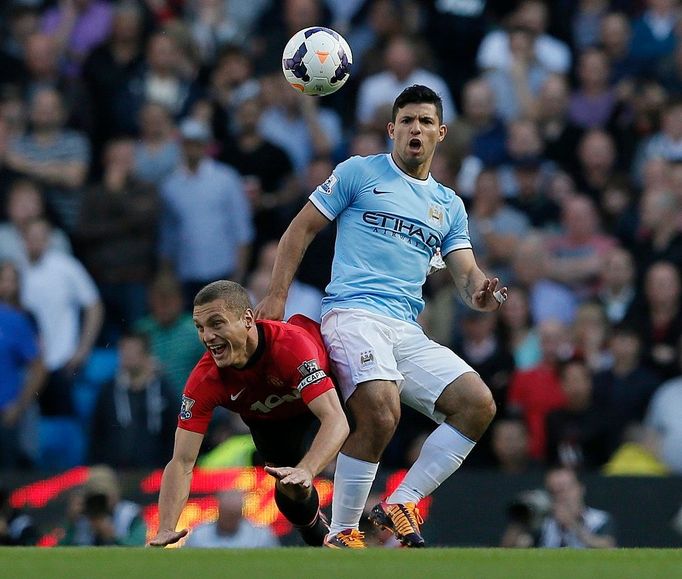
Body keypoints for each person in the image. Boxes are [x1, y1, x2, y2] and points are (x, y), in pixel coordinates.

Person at [256, 85, 506, 548]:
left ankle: (402, 501)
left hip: (405, 328)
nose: (417, 129)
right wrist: (276, 296)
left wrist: (484, 293)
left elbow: (467, 276)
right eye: (408, 120)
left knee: (478, 404)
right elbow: (300, 229)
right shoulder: (357, 173)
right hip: (352, 314)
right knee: (381, 411)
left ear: (441, 133)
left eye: (426, 122)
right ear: (392, 130)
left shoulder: (448, 205)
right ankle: (344, 533)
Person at [149, 280, 349, 548]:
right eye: (200, 327)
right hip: (270, 424)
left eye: (217, 324)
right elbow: (182, 461)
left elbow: (336, 419)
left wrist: (308, 469)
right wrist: (165, 527)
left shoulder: (289, 347)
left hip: (326, 398)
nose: (207, 336)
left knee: (367, 426)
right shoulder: (204, 381)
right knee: (289, 490)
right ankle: (316, 536)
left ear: (246, 319)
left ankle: (363, 524)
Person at [88, 332, 177, 468]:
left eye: (133, 351)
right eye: (124, 350)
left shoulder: (163, 390)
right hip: (114, 471)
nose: (127, 355)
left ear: (146, 354)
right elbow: (97, 433)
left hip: (155, 472)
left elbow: (173, 432)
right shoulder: (108, 391)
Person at [538, 466, 616, 548]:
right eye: (553, 491)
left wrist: (573, 524)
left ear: (580, 489)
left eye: (564, 489)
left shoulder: (598, 520)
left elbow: (607, 545)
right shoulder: (544, 521)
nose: (560, 496)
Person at [183, 490, 279, 548]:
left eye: (233, 515)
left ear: (241, 514)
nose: (229, 519)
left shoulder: (260, 536)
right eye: (227, 514)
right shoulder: (198, 535)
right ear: (219, 512)